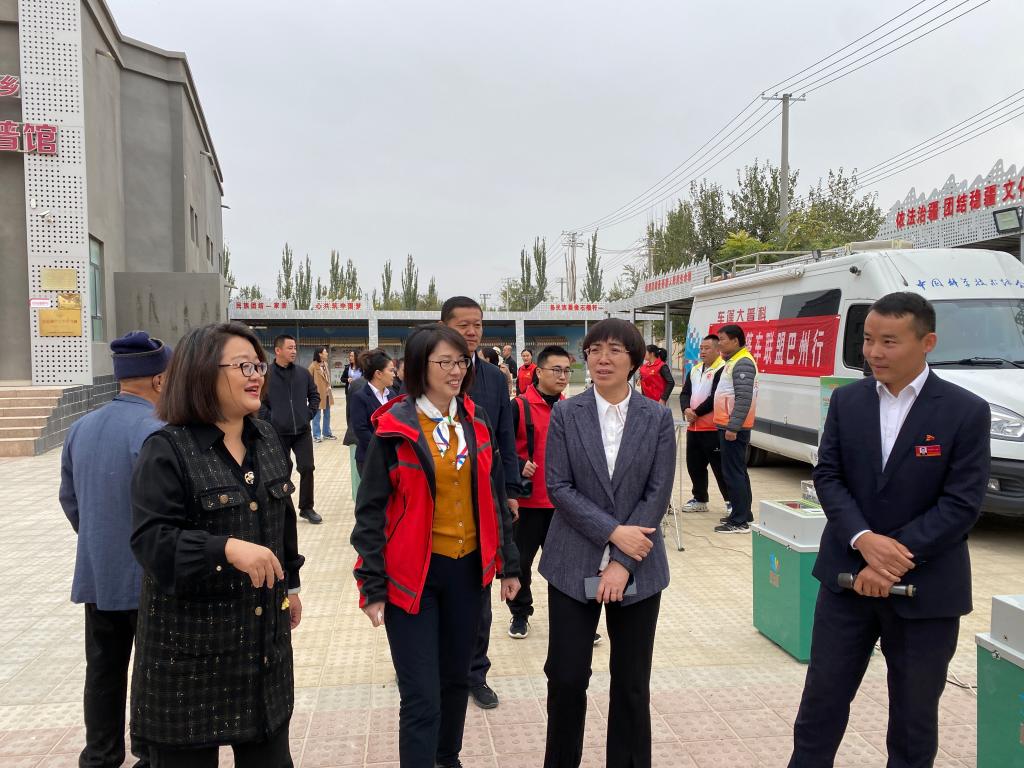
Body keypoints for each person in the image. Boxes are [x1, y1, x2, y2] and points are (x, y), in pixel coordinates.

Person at [788, 293, 990, 768]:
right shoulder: (847, 400)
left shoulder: (965, 410)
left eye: (889, 342)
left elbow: (961, 502)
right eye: (868, 340)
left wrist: (890, 559)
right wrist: (863, 540)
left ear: (927, 342)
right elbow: (829, 476)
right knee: (820, 706)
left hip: (926, 588)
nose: (874, 352)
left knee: (913, 720)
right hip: (845, 581)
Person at [130, 322, 305, 768]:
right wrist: (224, 549)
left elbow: (283, 521)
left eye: (259, 365)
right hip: (188, 657)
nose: (256, 375)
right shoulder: (167, 449)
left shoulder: (266, 438)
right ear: (202, 372)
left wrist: (291, 584)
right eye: (243, 366)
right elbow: (152, 542)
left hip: (261, 649)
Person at [351, 324, 521, 768]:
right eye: (444, 362)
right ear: (418, 368)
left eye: (461, 361)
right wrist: (371, 585)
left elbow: (495, 496)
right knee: (421, 695)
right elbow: (370, 512)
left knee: (455, 680)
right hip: (412, 578)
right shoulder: (395, 429)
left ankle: (448, 759)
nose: (455, 370)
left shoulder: (476, 422)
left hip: (468, 573)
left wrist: (509, 565)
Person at [541, 318, 676, 768]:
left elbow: (657, 493)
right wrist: (613, 533)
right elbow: (559, 487)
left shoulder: (657, 417)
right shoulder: (566, 414)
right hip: (571, 560)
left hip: (640, 563)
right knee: (566, 678)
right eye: (595, 350)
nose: (603, 358)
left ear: (634, 360)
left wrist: (622, 560)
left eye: (615, 350)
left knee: (632, 683)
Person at [59, 331, 171, 768]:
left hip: (98, 575)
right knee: (153, 672)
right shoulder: (158, 432)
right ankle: (150, 754)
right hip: (150, 578)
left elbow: (70, 500)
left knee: (103, 670)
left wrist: (98, 541)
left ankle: (100, 755)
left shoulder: (80, 428)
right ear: (159, 381)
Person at [441, 296, 522, 710]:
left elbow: (506, 434)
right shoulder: (424, 375)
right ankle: (427, 666)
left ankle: (476, 673)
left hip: (484, 499)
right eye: (463, 325)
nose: (472, 332)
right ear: (444, 327)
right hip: (438, 503)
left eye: (478, 324)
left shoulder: (492, 377)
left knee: (479, 595)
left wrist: (510, 491)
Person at [507, 345, 571, 640]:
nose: (562, 376)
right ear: (539, 371)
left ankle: (571, 617)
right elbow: (500, 449)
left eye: (567, 370)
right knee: (520, 563)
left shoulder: (570, 408)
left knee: (565, 565)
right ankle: (520, 613)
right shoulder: (519, 406)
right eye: (556, 370)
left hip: (563, 503)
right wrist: (520, 464)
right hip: (527, 503)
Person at [260, 334, 321, 524]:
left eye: (295, 347)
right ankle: (282, 509)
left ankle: (307, 508)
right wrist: (270, 421)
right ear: (278, 350)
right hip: (278, 433)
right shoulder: (266, 375)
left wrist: (308, 414)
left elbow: (314, 396)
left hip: (302, 431)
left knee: (307, 467)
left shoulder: (303, 373)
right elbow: (260, 402)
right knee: (282, 472)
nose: (294, 351)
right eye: (290, 348)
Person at [713, 324, 757, 534]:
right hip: (729, 425)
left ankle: (739, 521)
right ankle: (743, 513)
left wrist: (733, 427)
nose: (719, 343)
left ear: (735, 341)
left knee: (733, 473)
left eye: (722, 339)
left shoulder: (743, 363)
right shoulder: (733, 361)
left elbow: (744, 398)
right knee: (737, 471)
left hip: (733, 428)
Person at [679, 335, 731, 516]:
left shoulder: (723, 369)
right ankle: (700, 499)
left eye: (707, 348)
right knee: (694, 466)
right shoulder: (695, 369)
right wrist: (686, 409)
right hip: (694, 428)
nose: (702, 351)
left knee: (720, 467)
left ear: (718, 350)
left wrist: (696, 413)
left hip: (713, 428)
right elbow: (685, 393)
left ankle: (730, 501)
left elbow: (715, 396)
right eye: (701, 348)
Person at [350, 348, 396, 475]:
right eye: (391, 370)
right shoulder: (360, 397)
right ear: (378, 374)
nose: (394, 374)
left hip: (391, 458)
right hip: (370, 459)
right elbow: (361, 430)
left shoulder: (392, 395)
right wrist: (383, 449)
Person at [309, 346, 337, 442]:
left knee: (327, 415)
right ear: (320, 354)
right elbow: (308, 381)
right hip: (317, 395)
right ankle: (316, 435)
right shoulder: (313, 366)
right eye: (325, 352)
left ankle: (327, 433)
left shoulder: (325, 364)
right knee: (317, 416)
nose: (327, 353)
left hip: (327, 394)